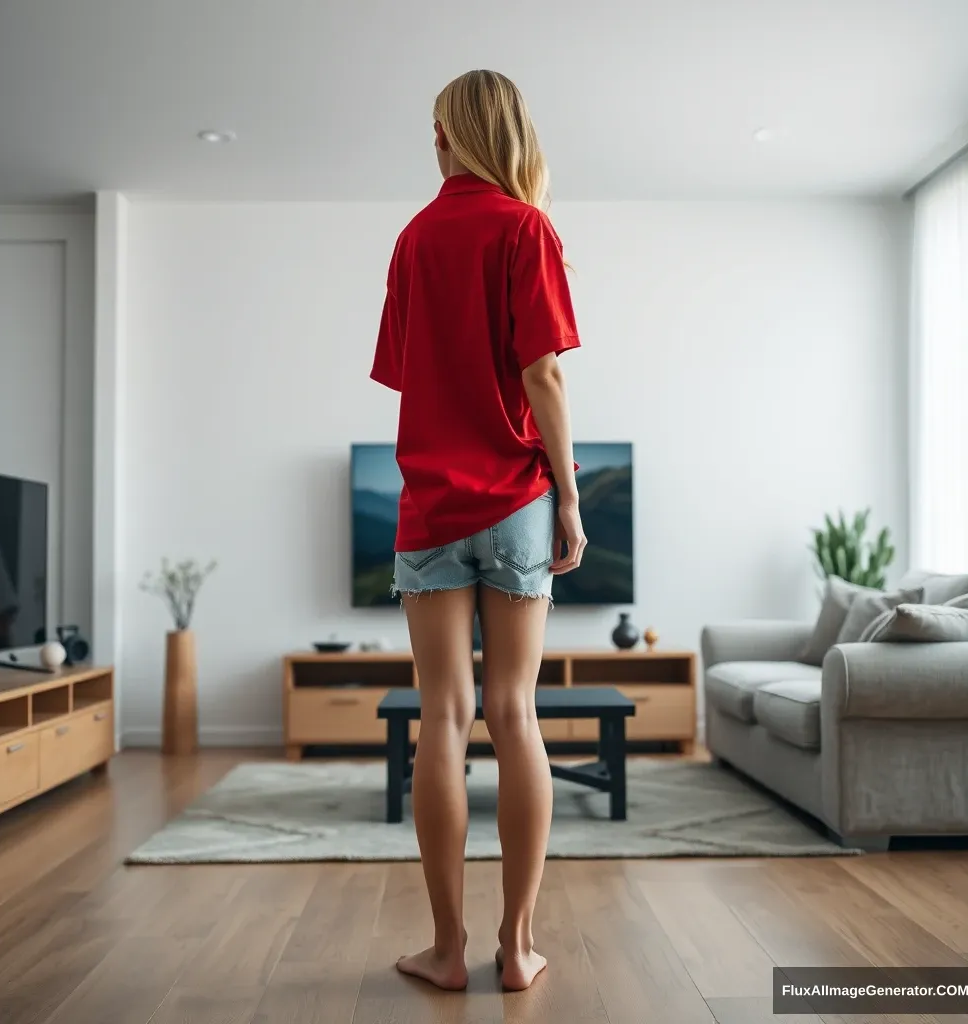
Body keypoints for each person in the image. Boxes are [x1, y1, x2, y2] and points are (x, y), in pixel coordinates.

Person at [370, 69, 586, 993]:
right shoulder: (524, 227)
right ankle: (519, 947)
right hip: (513, 502)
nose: (434, 145)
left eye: (437, 132)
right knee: (514, 714)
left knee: (443, 720)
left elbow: (407, 375)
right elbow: (542, 376)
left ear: (453, 136)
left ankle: (449, 950)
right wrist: (568, 495)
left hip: (428, 506)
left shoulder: (414, 239)